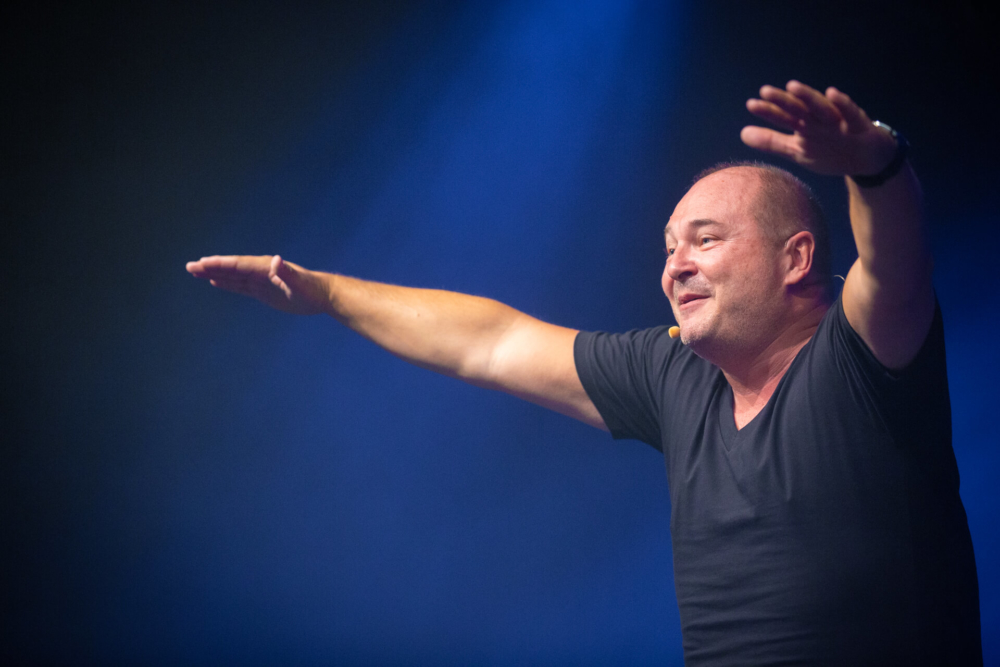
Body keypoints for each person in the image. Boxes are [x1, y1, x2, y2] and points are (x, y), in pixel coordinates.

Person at [186, 81, 981, 664]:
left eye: (704, 240)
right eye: (669, 247)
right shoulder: (675, 375)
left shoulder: (864, 354)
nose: (676, 267)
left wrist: (875, 165)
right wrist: (326, 294)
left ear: (796, 259)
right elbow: (488, 341)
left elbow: (895, 255)